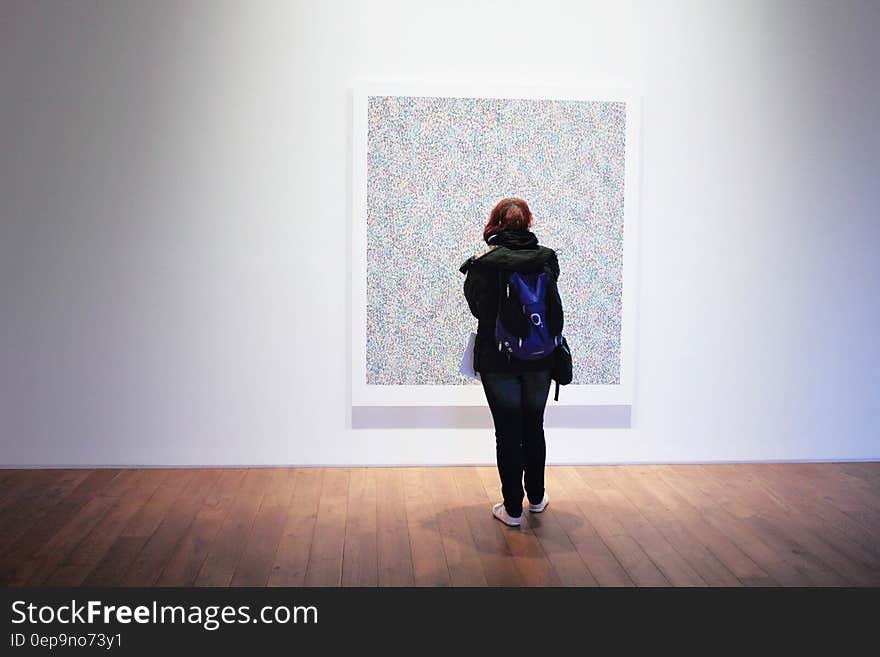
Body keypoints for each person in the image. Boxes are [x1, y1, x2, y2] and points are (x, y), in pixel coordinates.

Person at [459, 198, 563, 527]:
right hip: (540, 357)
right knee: (534, 426)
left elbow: (477, 308)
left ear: (495, 223)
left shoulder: (482, 263)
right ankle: (536, 498)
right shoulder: (547, 259)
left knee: (507, 433)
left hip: (498, 358)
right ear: (528, 222)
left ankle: (512, 510)